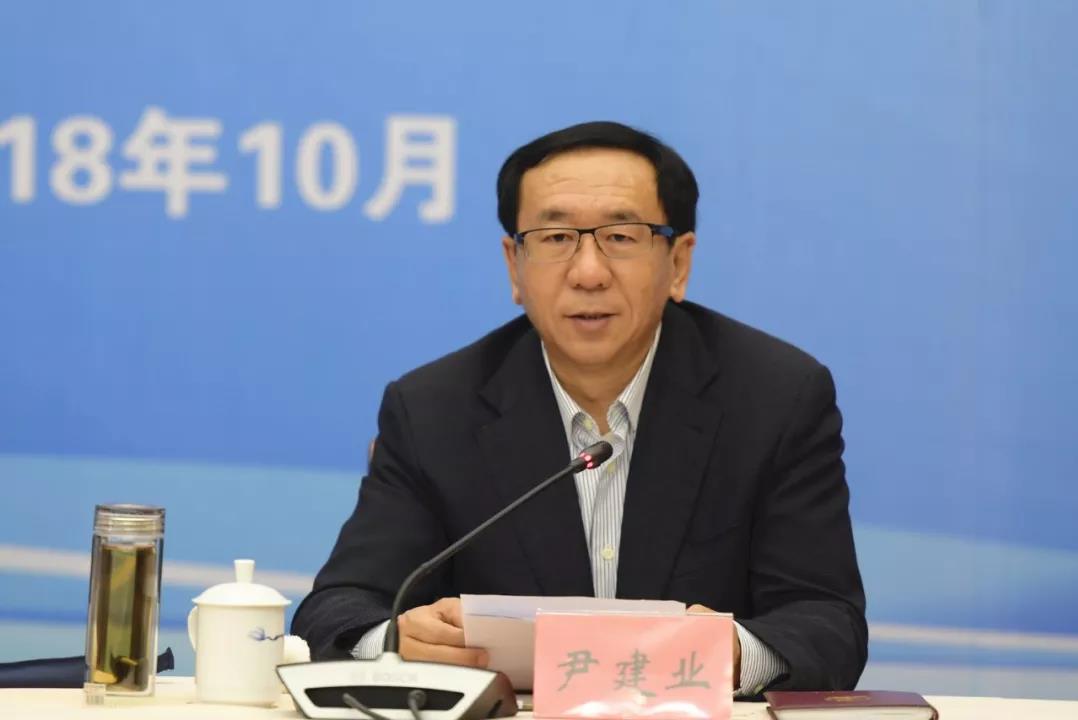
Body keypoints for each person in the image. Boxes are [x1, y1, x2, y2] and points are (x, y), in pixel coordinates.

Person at [292, 121, 867, 695]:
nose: (588, 273)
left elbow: (827, 621)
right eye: (555, 238)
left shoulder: (775, 399)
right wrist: (395, 642)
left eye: (621, 236)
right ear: (515, 266)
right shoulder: (434, 411)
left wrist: (729, 654)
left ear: (678, 263)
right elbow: (337, 610)